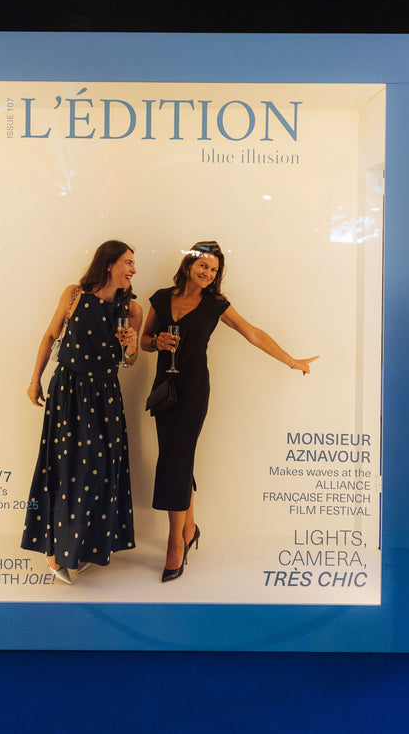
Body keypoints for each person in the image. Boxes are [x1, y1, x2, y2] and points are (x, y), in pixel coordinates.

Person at [140, 240, 318, 583]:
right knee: (178, 458)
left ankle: (175, 542)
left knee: (175, 459)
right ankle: (190, 528)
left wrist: (292, 361)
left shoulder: (216, 304)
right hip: (164, 389)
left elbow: (253, 333)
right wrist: (156, 341)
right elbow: (144, 341)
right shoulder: (161, 298)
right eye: (203, 265)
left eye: (214, 269)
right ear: (189, 264)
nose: (208, 273)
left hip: (193, 392)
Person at [21, 240, 143, 583]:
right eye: (128, 262)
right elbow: (50, 336)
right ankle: (52, 550)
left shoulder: (133, 310)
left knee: (100, 471)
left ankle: (84, 547)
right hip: (69, 392)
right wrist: (34, 380)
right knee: (63, 468)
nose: (133, 270)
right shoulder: (73, 294)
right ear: (109, 263)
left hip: (105, 396)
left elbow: (129, 362)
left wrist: (132, 348)